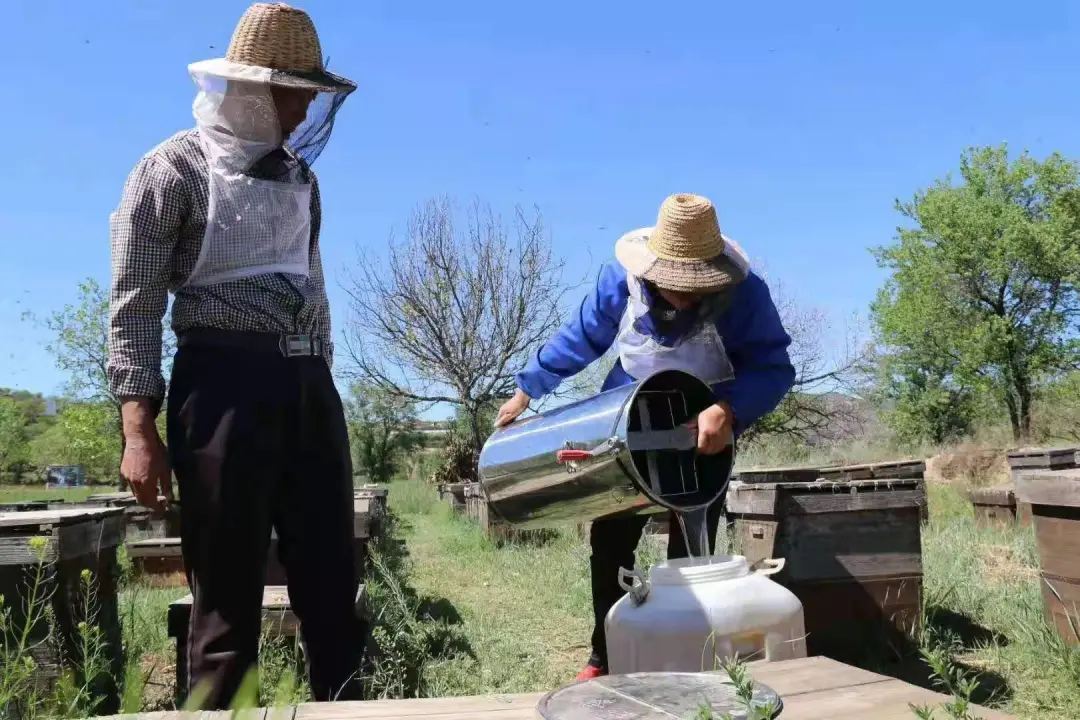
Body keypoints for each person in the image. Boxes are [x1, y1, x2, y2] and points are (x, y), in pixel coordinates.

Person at [106, 3, 362, 708]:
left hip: (307, 383)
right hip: (220, 388)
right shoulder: (170, 170)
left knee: (332, 588)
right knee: (224, 599)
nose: (309, 102)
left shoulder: (299, 180)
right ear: (253, 89)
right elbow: (134, 303)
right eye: (296, 89)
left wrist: (318, 387)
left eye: (313, 91)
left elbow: (312, 289)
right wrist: (138, 429)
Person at [495, 193, 796, 681]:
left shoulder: (745, 293)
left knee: (692, 552)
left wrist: (730, 409)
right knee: (610, 539)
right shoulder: (620, 280)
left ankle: (686, 658)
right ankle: (606, 653)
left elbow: (773, 366)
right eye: (673, 285)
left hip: (703, 430)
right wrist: (529, 388)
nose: (682, 296)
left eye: (694, 288)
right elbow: (582, 336)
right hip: (624, 422)